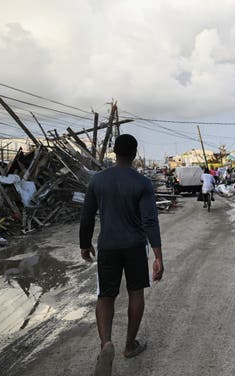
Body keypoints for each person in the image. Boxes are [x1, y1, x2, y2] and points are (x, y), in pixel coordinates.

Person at [79, 134, 163, 376]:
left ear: (114, 152)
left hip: (108, 246)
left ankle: (106, 344)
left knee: (105, 296)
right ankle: (129, 345)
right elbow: (150, 221)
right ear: (135, 154)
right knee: (135, 293)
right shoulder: (143, 183)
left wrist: (84, 244)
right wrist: (158, 256)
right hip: (135, 246)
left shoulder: (98, 181)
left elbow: (87, 215)